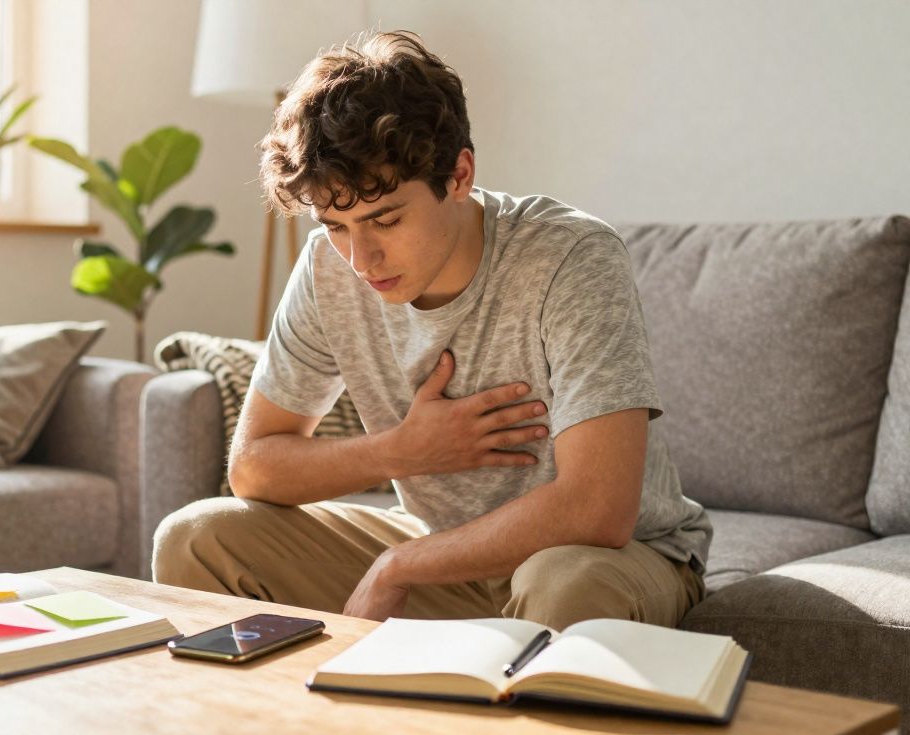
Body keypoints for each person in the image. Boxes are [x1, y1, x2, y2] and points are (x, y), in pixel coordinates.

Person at [152, 30, 711, 630]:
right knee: (195, 538)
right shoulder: (325, 270)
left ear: (459, 175)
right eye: (335, 226)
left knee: (561, 585)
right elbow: (253, 467)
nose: (360, 259)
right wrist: (403, 450)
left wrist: (401, 566)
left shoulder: (570, 256)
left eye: (385, 220)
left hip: (607, 559)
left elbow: (598, 508)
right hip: (446, 552)